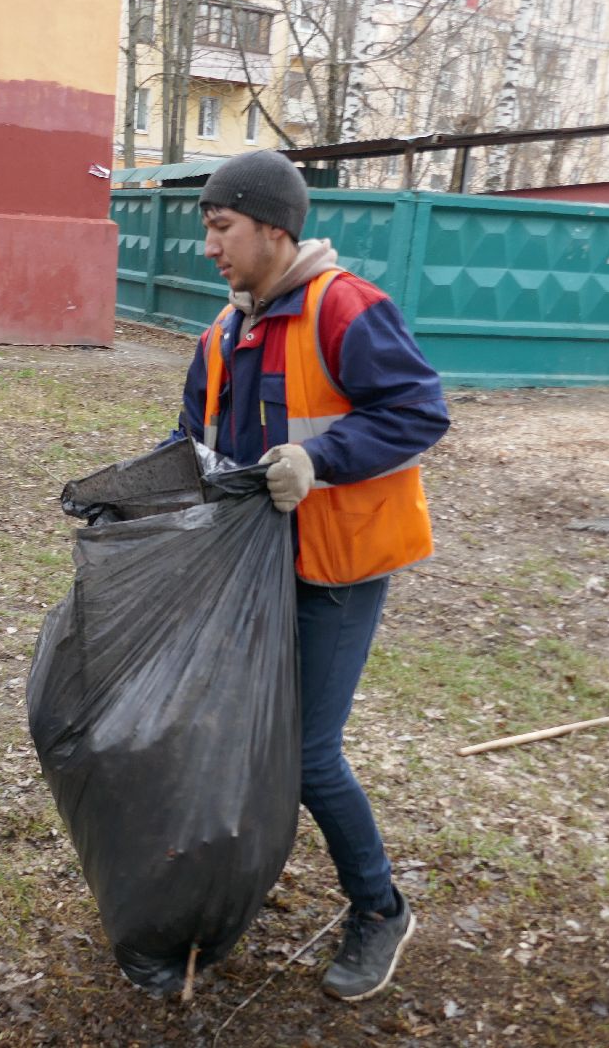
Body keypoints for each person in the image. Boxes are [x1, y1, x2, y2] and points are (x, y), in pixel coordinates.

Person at [169, 150, 449, 1002]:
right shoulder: (224, 332)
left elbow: (418, 410)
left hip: (338, 569)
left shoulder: (346, 308)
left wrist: (320, 459)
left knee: (307, 754)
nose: (209, 248)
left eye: (221, 229)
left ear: (275, 230)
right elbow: (192, 442)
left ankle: (380, 907)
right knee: (238, 735)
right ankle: (231, 887)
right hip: (251, 571)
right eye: (208, 230)